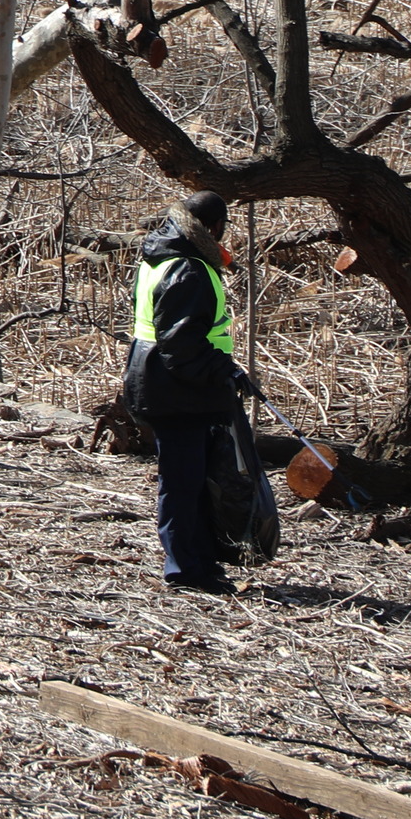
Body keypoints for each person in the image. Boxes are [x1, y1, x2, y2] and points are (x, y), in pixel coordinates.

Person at [128, 189, 253, 595]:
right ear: (213, 227)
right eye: (223, 229)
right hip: (177, 392)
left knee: (193, 480)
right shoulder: (190, 270)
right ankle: (184, 568)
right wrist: (226, 371)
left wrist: (224, 372)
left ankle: (199, 561)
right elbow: (181, 346)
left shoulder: (158, 256)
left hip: (162, 384)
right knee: (182, 483)